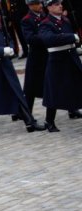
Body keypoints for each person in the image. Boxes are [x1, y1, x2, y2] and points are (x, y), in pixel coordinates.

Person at [0, 4, 46, 134]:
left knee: (16, 92)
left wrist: (10, 48)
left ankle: (29, 121)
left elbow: (9, 39)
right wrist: (2, 51)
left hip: (5, 65)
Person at [39, 0, 82, 132]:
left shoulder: (65, 20)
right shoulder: (45, 24)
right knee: (54, 93)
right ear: (49, 7)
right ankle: (49, 121)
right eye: (56, 4)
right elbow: (49, 39)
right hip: (57, 61)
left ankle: (73, 109)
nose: (60, 6)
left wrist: (76, 47)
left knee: (79, 86)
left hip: (71, 58)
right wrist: (71, 37)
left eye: (60, 4)